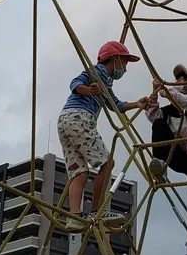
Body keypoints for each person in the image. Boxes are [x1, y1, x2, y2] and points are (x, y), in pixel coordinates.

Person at [58, 41, 148, 232]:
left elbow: (116, 105)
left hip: (65, 120)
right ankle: (98, 210)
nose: (124, 68)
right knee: (108, 164)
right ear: (114, 60)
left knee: (79, 172)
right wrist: (88, 90)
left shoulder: (106, 82)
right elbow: (75, 83)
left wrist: (137, 104)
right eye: (124, 63)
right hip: (79, 117)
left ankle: (74, 216)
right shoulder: (98, 71)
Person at [145, 64, 187, 255]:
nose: (179, 81)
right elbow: (153, 115)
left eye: (183, 79)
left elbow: (184, 102)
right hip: (176, 154)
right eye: (177, 79)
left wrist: (165, 89)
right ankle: (159, 165)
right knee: (159, 124)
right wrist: (155, 94)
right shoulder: (172, 109)